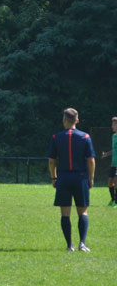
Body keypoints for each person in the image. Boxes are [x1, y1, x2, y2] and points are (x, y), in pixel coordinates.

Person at [48, 108, 95, 252]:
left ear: (64, 120)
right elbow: (91, 160)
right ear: (77, 120)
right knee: (83, 212)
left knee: (65, 214)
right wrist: (91, 178)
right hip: (80, 178)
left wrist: (54, 177)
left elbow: (52, 161)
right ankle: (82, 243)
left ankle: (69, 245)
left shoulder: (56, 137)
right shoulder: (85, 137)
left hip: (63, 178)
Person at [100, 117, 117, 207]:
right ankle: (113, 200)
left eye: (114, 124)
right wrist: (107, 154)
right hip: (113, 164)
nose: (112, 126)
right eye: (112, 124)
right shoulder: (113, 136)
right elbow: (114, 150)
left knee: (116, 182)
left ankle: (116, 202)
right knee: (110, 183)